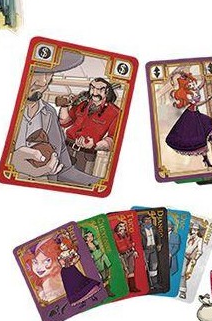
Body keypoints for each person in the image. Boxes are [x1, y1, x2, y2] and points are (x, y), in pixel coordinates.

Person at [9, 51, 97, 187]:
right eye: (35, 71)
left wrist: (102, 183)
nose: (43, 82)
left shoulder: (49, 112)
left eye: (49, 72)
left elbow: (64, 170)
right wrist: (10, 162)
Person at [58, 77, 120, 174]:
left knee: (80, 181)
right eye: (92, 88)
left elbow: (113, 139)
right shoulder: (82, 104)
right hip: (66, 148)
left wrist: (94, 145)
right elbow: (65, 122)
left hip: (86, 155)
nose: (95, 92)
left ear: (107, 91)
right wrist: (64, 106)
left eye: (100, 89)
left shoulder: (115, 112)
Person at [164, 71, 212, 168]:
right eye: (189, 84)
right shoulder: (188, 95)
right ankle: (206, 159)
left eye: (191, 83)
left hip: (196, 114)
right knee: (197, 137)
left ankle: (210, 138)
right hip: (190, 116)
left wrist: (204, 79)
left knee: (208, 122)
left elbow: (200, 86)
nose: (192, 84)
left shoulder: (194, 89)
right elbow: (197, 104)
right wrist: (208, 99)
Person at [112, 219, 141, 293]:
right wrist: (118, 255)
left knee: (131, 270)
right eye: (120, 226)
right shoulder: (114, 236)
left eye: (123, 226)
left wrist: (134, 251)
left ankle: (132, 287)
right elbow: (114, 247)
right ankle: (123, 289)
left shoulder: (127, 234)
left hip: (130, 253)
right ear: (117, 227)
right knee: (125, 271)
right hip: (122, 255)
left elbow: (131, 242)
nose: (123, 228)